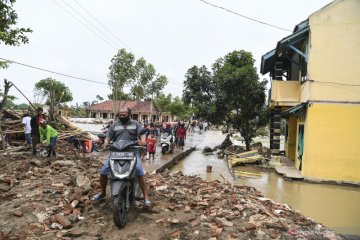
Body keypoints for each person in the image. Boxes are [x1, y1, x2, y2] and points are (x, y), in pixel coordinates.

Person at [91, 108, 151, 207]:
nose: (121, 116)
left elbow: (142, 134)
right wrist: (105, 143)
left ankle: (146, 198)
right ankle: (102, 193)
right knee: (103, 172)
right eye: (120, 115)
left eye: (124, 115)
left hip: (132, 151)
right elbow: (108, 137)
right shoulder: (114, 125)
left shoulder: (136, 124)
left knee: (140, 171)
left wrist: (143, 141)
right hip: (116, 152)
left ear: (129, 114)